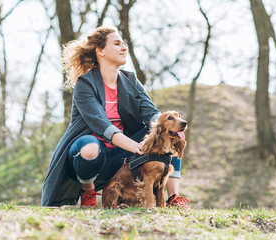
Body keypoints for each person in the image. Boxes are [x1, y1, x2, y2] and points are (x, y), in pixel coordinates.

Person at [41, 26, 189, 208]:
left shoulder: (130, 80)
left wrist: (163, 126)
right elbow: (101, 124)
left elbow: (151, 113)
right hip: (92, 154)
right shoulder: (85, 84)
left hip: (122, 157)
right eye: (117, 43)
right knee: (90, 149)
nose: (123, 48)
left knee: (170, 132)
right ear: (100, 51)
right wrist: (135, 146)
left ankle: (173, 197)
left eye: (123, 44)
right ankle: (88, 190)